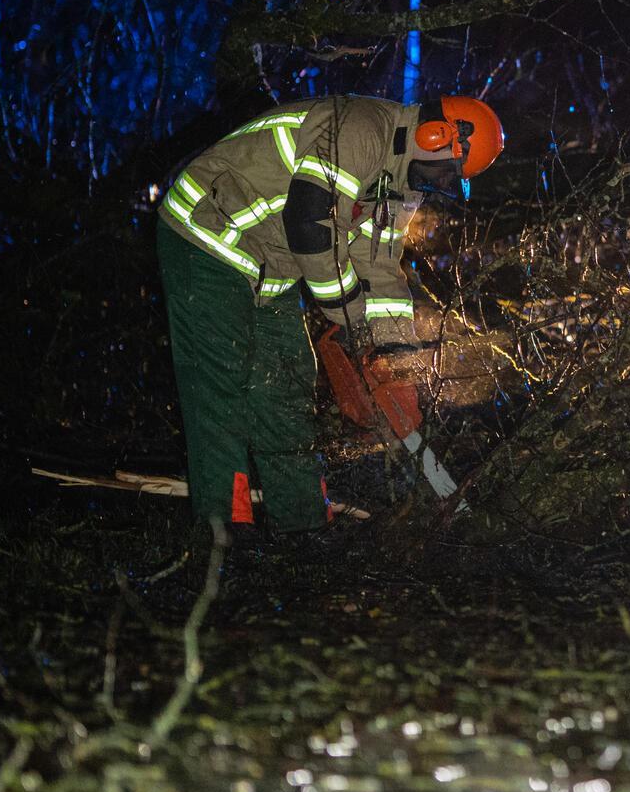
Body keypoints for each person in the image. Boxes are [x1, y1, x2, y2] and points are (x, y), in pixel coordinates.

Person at [156, 94, 504, 530]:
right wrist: (353, 323)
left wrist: (393, 356)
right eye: (446, 172)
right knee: (223, 385)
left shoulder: (400, 186)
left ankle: (302, 528)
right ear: (435, 136)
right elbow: (309, 224)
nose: (439, 184)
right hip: (206, 238)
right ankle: (222, 535)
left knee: (285, 390)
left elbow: (379, 269)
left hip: (269, 267)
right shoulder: (359, 128)